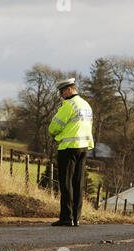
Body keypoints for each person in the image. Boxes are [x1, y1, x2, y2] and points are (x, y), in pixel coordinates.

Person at [48, 78, 94, 227]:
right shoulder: (86, 105)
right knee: (78, 183)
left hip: (68, 148)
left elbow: (54, 126)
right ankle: (77, 218)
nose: (61, 95)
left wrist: (55, 135)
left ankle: (67, 218)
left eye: (62, 91)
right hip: (84, 147)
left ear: (69, 89)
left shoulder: (69, 105)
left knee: (66, 183)